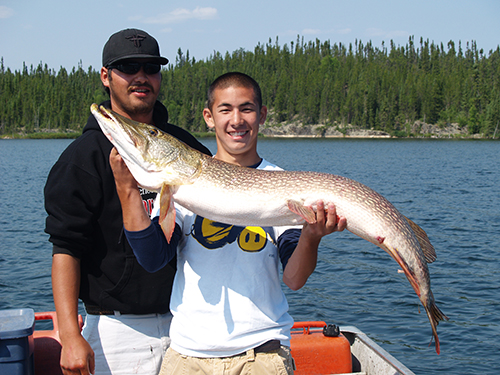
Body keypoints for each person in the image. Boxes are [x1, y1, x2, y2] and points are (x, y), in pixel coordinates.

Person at [110, 72, 347, 375]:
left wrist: (311, 237)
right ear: (209, 117)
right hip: (187, 356)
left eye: (246, 108)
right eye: (225, 110)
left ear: (261, 115)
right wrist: (127, 191)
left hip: (261, 355)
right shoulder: (180, 184)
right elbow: (154, 259)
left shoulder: (284, 185)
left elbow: (294, 279)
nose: (237, 120)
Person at [44, 28, 212, 375]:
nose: (141, 77)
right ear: (106, 76)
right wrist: (71, 336)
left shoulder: (186, 146)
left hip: (189, 326)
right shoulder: (82, 157)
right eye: (128, 67)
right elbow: (65, 249)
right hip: (117, 333)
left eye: (150, 68)